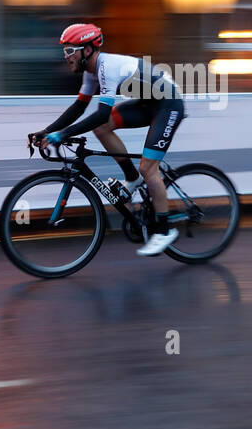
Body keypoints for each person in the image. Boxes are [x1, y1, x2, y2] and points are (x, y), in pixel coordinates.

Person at [29, 23, 185, 257]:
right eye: (65, 51)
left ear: (89, 50)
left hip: (168, 104)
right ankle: (131, 179)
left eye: (71, 50)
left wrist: (62, 135)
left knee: (148, 168)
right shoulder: (90, 73)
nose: (66, 56)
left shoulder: (107, 67)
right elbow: (79, 108)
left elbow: (101, 111)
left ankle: (163, 231)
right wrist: (47, 131)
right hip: (148, 104)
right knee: (102, 128)